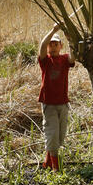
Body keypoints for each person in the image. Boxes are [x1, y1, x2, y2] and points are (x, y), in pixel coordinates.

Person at [38, 22, 75, 172]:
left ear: (61, 46)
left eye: (55, 44)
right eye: (50, 45)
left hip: (63, 103)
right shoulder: (45, 61)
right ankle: (56, 169)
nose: (52, 47)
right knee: (52, 134)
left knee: (59, 137)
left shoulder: (65, 59)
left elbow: (73, 57)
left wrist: (70, 37)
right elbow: (41, 45)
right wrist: (53, 30)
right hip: (49, 103)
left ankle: (47, 162)